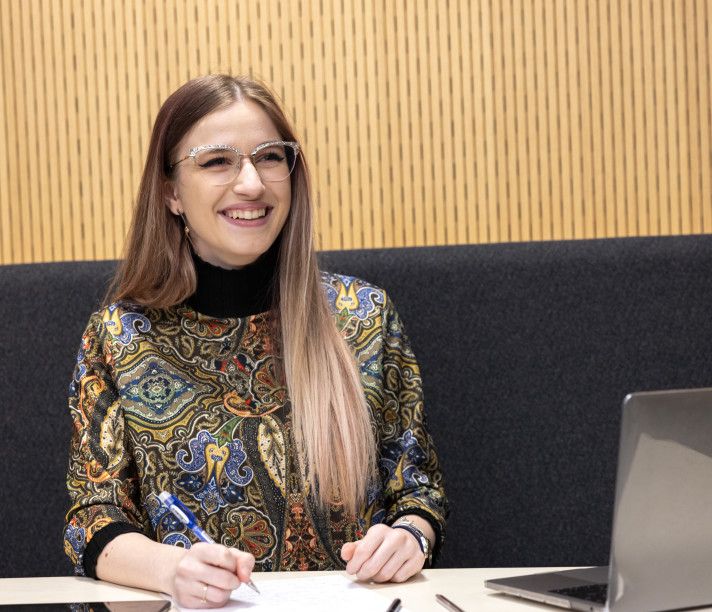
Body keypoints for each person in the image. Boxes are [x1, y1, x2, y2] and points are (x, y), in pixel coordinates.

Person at [64, 74, 448, 608]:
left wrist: (410, 538)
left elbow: (418, 489)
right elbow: (93, 518)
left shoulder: (363, 317)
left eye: (269, 157)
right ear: (170, 192)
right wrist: (172, 569)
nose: (251, 184)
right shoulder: (120, 337)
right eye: (217, 161)